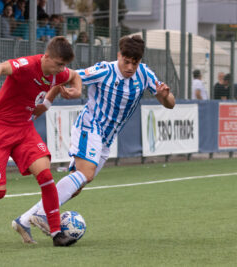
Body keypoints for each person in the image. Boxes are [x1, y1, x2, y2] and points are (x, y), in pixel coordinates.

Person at [12, 35, 175, 243]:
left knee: (77, 186)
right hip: (90, 127)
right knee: (85, 174)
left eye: (135, 63)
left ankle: (24, 220)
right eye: (126, 61)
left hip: (106, 138)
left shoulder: (145, 74)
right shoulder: (104, 70)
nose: (130, 67)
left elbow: (170, 103)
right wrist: (46, 105)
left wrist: (163, 95)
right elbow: (64, 76)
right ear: (119, 56)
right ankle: (43, 215)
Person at [0, 36, 83, 247]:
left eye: (64, 65)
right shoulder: (27, 65)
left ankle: (56, 234)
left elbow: (74, 76)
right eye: (59, 64)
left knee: (46, 176)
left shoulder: (57, 72)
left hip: (24, 130)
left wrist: (73, 92)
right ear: (47, 57)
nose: (62, 69)